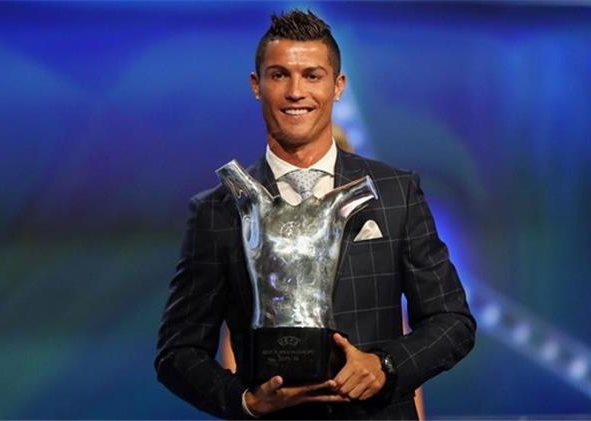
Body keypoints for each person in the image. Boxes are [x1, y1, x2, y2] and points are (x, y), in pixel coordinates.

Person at [155, 9, 476, 420]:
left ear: (337, 86)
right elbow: (177, 351)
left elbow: (452, 321)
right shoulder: (217, 211)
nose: (296, 92)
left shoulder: (395, 192)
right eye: (279, 75)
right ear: (256, 85)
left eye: (312, 75)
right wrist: (246, 401)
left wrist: (386, 365)